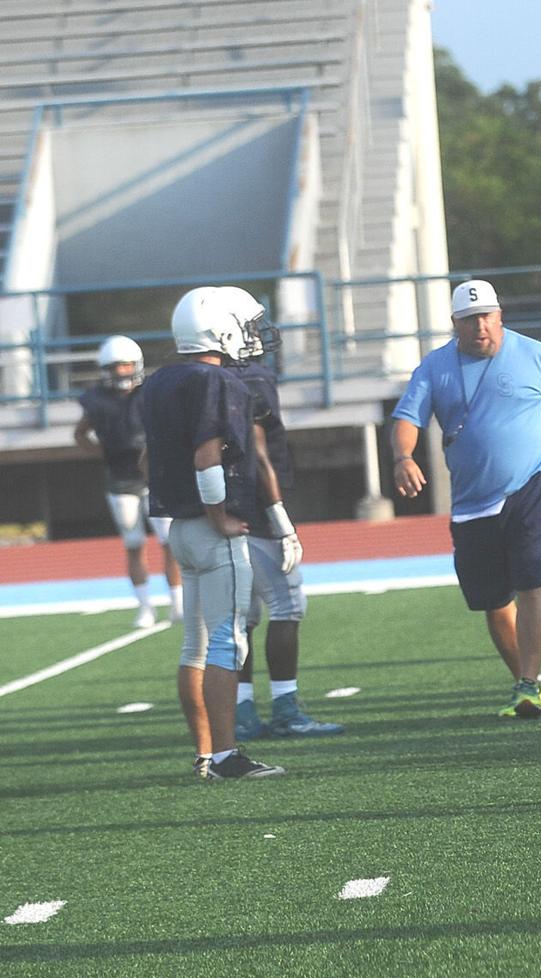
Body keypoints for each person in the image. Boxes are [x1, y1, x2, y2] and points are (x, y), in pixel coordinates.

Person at [392, 279, 541, 717]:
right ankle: (526, 684)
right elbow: (409, 416)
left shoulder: (535, 354)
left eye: (486, 316)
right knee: (492, 599)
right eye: (469, 320)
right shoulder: (435, 367)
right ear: (455, 324)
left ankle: (528, 681)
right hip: (472, 500)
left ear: (500, 315)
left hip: (535, 480)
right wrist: (403, 457)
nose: (480, 326)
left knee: (530, 581)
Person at [141, 286, 286, 780]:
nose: (251, 337)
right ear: (219, 328)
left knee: (195, 647)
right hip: (209, 529)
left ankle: (205, 753)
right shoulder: (217, 382)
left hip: (179, 528)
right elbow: (207, 457)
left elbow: (147, 458)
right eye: (244, 327)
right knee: (228, 643)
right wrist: (218, 514)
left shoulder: (160, 380)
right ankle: (226, 756)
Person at [231, 338, 344, 740]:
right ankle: (285, 707)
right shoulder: (252, 379)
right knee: (287, 604)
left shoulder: (194, 380)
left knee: (240, 617)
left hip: (219, 512)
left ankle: (242, 711)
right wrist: (280, 519)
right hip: (256, 511)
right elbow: (258, 454)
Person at [75, 335, 183, 628]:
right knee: (133, 543)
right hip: (121, 479)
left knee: (170, 541)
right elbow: (80, 434)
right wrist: (104, 453)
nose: (122, 372)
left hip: (156, 477)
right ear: (105, 369)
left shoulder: (152, 392)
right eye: (116, 366)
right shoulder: (97, 399)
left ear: (136, 365)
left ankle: (177, 604)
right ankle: (145, 607)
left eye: (126, 365)